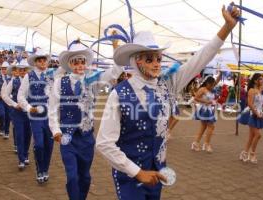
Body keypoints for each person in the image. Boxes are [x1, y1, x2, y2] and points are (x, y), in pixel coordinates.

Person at [96, 6, 240, 200]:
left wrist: (227, 27)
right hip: (129, 176)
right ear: (137, 62)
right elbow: (104, 143)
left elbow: (200, 59)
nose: (156, 63)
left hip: (157, 171)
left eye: (158, 58)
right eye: (149, 59)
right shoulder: (119, 94)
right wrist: (137, 172)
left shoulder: (168, 83)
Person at [48, 40, 122, 200]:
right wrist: (56, 130)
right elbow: (52, 108)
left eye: (82, 62)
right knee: (72, 177)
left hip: (87, 139)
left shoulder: (94, 83)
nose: (80, 65)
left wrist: (116, 47)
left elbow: (115, 73)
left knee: (85, 177)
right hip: (67, 138)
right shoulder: (60, 82)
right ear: (70, 64)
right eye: (76, 62)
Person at [18, 50, 54, 183]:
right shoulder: (29, 76)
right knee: (39, 144)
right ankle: (39, 169)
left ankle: (45, 169)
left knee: (49, 144)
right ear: (35, 62)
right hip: (35, 116)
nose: (43, 62)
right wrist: (28, 107)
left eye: (44, 60)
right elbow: (20, 95)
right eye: (40, 60)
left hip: (49, 116)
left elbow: (55, 94)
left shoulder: (51, 75)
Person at [238, 73, 263, 163]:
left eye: (262, 79)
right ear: (255, 80)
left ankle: (244, 153)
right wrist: (256, 113)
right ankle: (252, 154)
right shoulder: (251, 90)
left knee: (251, 137)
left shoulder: (261, 88)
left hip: (259, 114)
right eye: (260, 79)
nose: (262, 81)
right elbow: (250, 104)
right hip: (252, 114)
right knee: (258, 135)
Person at [2, 60, 32, 169]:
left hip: (29, 113)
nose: (23, 72)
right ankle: (21, 159)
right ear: (17, 71)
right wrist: (15, 105)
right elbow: (5, 95)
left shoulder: (32, 81)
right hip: (18, 113)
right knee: (19, 135)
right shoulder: (13, 81)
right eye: (21, 70)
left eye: (25, 70)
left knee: (28, 134)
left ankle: (25, 153)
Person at [191, 72, 222, 153]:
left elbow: (217, 80)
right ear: (207, 83)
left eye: (213, 85)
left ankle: (196, 143)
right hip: (204, 109)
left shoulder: (210, 88)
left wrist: (221, 72)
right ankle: (206, 144)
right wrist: (206, 101)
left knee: (203, 127)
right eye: (211, 85)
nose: (212, 87)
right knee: (211, 126)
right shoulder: (202, 89)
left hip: (209, 110)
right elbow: (196, 98)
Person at [0, 61, 12, 138]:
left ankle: (6, 131)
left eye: (6, 68)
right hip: (0, 100)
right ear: (1, 69)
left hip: (8, 100)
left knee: (8, 116)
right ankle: (1, 128)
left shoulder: (11, 78)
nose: (4, 70)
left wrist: (10, 96)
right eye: (3, 69)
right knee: (1, 114)